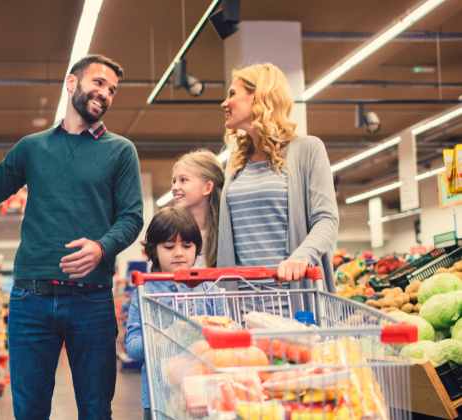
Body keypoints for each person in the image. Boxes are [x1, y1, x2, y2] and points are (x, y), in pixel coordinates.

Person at [0, 55, 143, 420]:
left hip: (92, 302)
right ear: (72, 83)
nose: (105, 93)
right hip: (31, 301)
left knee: (96, 409)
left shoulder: (120, 151)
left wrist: (102, 248)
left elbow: (132, 217)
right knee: (29, 411)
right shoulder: (32, 148)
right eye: (98, 82)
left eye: (112, 90)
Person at [216, 63, 339, 291]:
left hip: (294, 302)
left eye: (232, 94)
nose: (225, 103)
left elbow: (327, 220)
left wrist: (303, 256)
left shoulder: (307, 149)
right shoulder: (236, 162)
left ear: (259, 96)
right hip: (241, 305)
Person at [124, 207, 207, 420]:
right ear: (154, 250)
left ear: (196, 248)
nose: (179, 253)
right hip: (158, 399)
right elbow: (133, 347)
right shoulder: (146, 293)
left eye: (187, 245)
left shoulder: (209, 289)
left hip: (204, 396)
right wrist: (170, 333)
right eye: (169, 246)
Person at [171, 149, 225, 267]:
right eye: (174, 181)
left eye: (183, 180)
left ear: (207, 187)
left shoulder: (225, 235)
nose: (175, 187)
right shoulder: (170, 234)